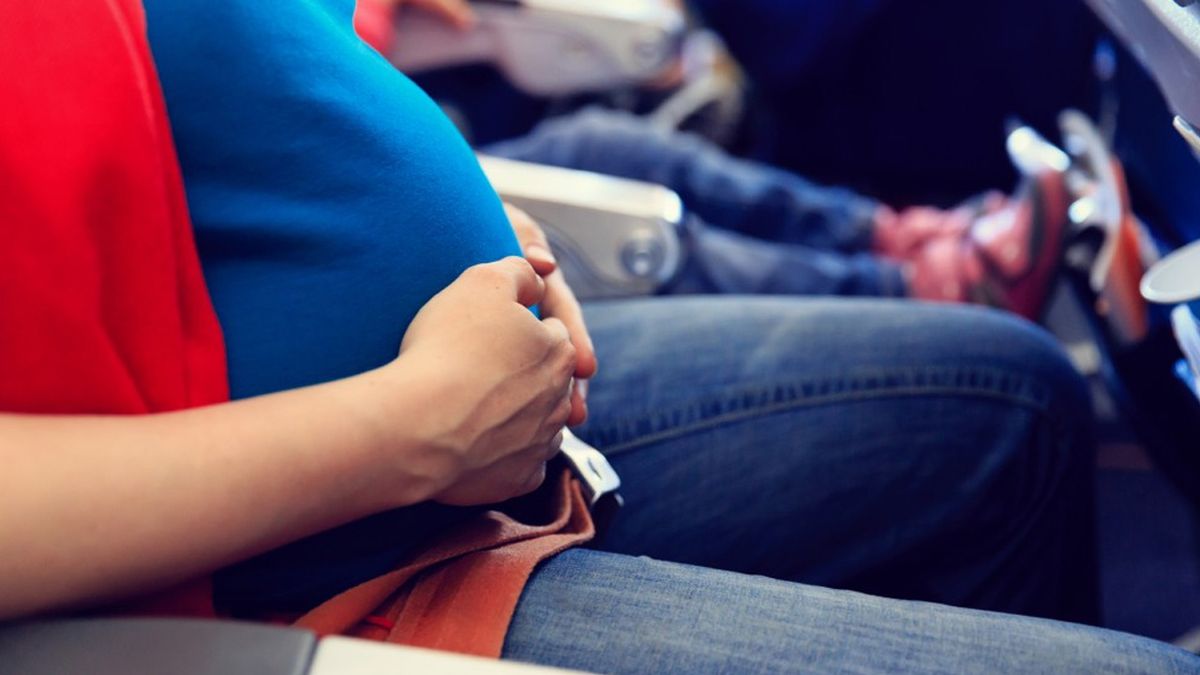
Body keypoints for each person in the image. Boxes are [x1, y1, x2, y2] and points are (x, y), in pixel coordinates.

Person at [2, 1, 1197, 673]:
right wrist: (407, 433)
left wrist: (456, 207)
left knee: (1007, 405)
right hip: (286, 581)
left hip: (435, 425)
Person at [359, 0, 1070, 321]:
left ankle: (891, 235)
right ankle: (917, 290)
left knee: (613, 145)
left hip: (407, 153)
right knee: (653, 234)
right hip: (387, 208)